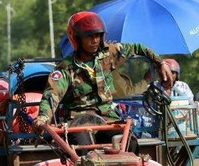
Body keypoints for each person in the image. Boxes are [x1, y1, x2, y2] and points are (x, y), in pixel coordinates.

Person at [33, 11, 173, 132]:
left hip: (108, 118)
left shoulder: (109, 54)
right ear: (77, 38)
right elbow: (52, 95)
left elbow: (138, 47)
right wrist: (43, 118)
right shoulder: (66, 68)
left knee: (128, 143)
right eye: (89, 36)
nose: (94, 40)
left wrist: (161, 63)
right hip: (79, 122)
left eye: (97, 35)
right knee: (81, 150)